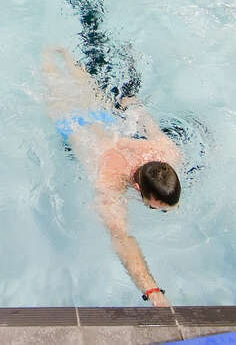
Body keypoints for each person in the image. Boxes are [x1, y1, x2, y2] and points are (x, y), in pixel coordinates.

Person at [42, 47, 181, 307]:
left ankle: (58, 52)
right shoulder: (110, 178)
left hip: (103, 117)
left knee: (82, 88)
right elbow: (121, 238)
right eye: (157, 208)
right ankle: (48, 54)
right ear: (138, 188)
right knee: (56, 88)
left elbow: (142, 116)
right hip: (71, 124)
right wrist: (152, 291)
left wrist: (132, 104)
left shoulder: (165, 151)